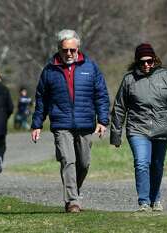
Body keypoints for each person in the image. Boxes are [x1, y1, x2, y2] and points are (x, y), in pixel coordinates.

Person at [31, 29, 110, 213]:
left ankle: (75, 189)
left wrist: (102, 120)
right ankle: (72, 200)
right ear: (59, 49)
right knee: (68, 160)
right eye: (65, 50)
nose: (68, 54)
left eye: (72, 50)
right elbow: (41, 98)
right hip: (61, 124)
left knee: (84, 163)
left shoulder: (90, 67)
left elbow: (101, 95)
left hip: (86, 123)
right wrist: (37, 124)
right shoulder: (49, 71)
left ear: (78, 49)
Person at [110, 43, 167, 212]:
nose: (146, 65)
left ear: (155, 60)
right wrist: (116, 134)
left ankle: (155, 199)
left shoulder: (165, 77)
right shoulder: (129, 80)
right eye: (142, 62)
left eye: (149, 61)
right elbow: (119, 107)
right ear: (136, 62)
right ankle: (143, 201)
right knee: (142, 163)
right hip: (137, 129)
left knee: (157, 165)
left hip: (162, 129)